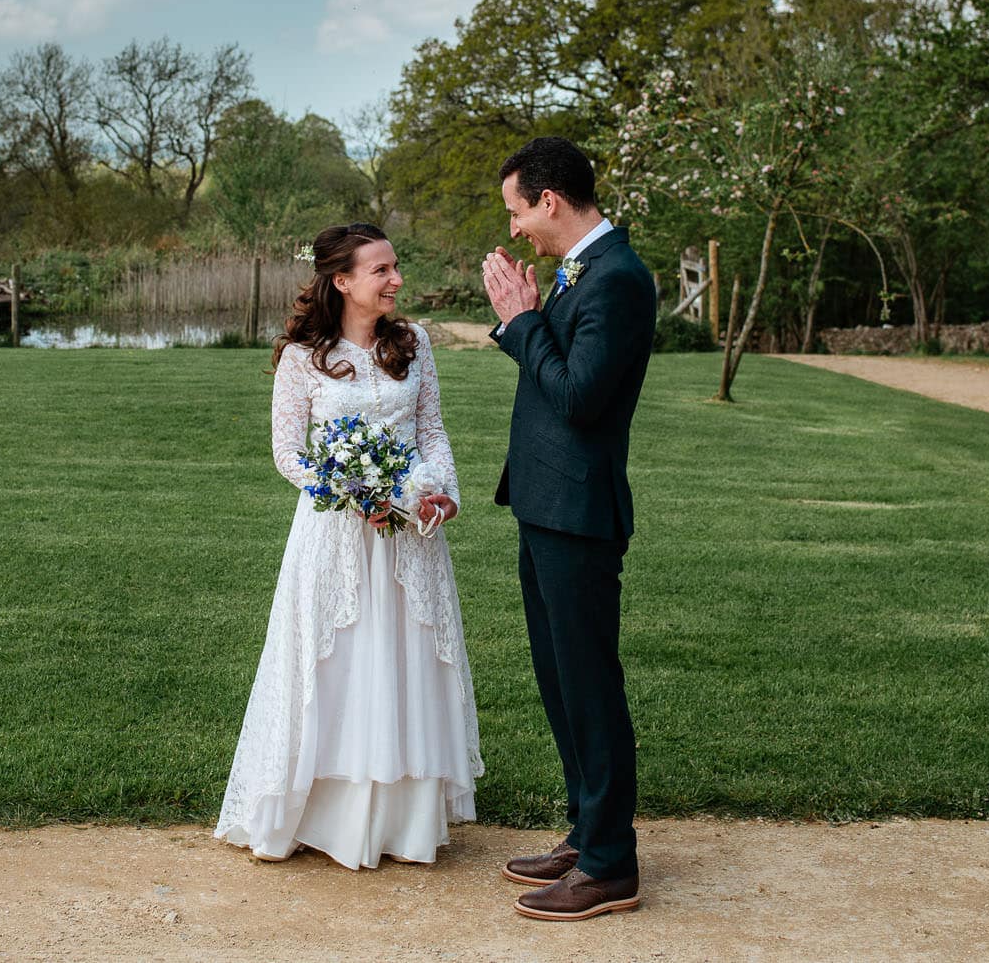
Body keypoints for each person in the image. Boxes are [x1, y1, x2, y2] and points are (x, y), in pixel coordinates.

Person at [215, 222, 483, 869]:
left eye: (395, 267)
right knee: (336, 664)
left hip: (409, 533)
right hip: (334, 535)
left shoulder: (414, 344)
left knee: (403, 660)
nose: (396, 280)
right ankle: (320, 816)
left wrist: (443, 492)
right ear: (341, 280)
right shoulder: (302, 357)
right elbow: (288, 454)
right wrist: (347, 490)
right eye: (381, 270)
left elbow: (431, 432)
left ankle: (403, 825)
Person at [480, 136, 658, 922]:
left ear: (549, 201)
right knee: (561, 680)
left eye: (517, 211)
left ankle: (611, 864)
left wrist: (522, 322)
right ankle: (588, 833)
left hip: (579, 513)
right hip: (547, 505)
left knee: (589, 685)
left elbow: (580, 397)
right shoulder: (583, 270)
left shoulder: (617, 277)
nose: (514, 228)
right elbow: (560, 375)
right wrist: (529, 317)